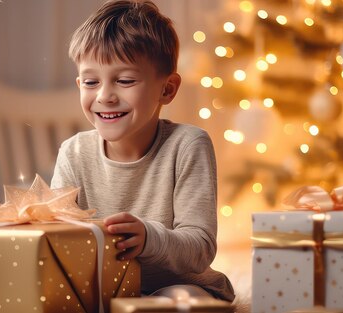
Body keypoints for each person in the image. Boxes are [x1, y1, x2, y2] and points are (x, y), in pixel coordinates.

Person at [51, 0, 235, 301]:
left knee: (182, 300)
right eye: (90, 82)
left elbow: (200, 248)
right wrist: (16, 223)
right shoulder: (73, 152)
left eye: (124, 81)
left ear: (167, 89)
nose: (105, 96)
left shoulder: (188, 145)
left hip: (180, 286)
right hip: (103, 291)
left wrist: (149, 238)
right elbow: (57, 236)